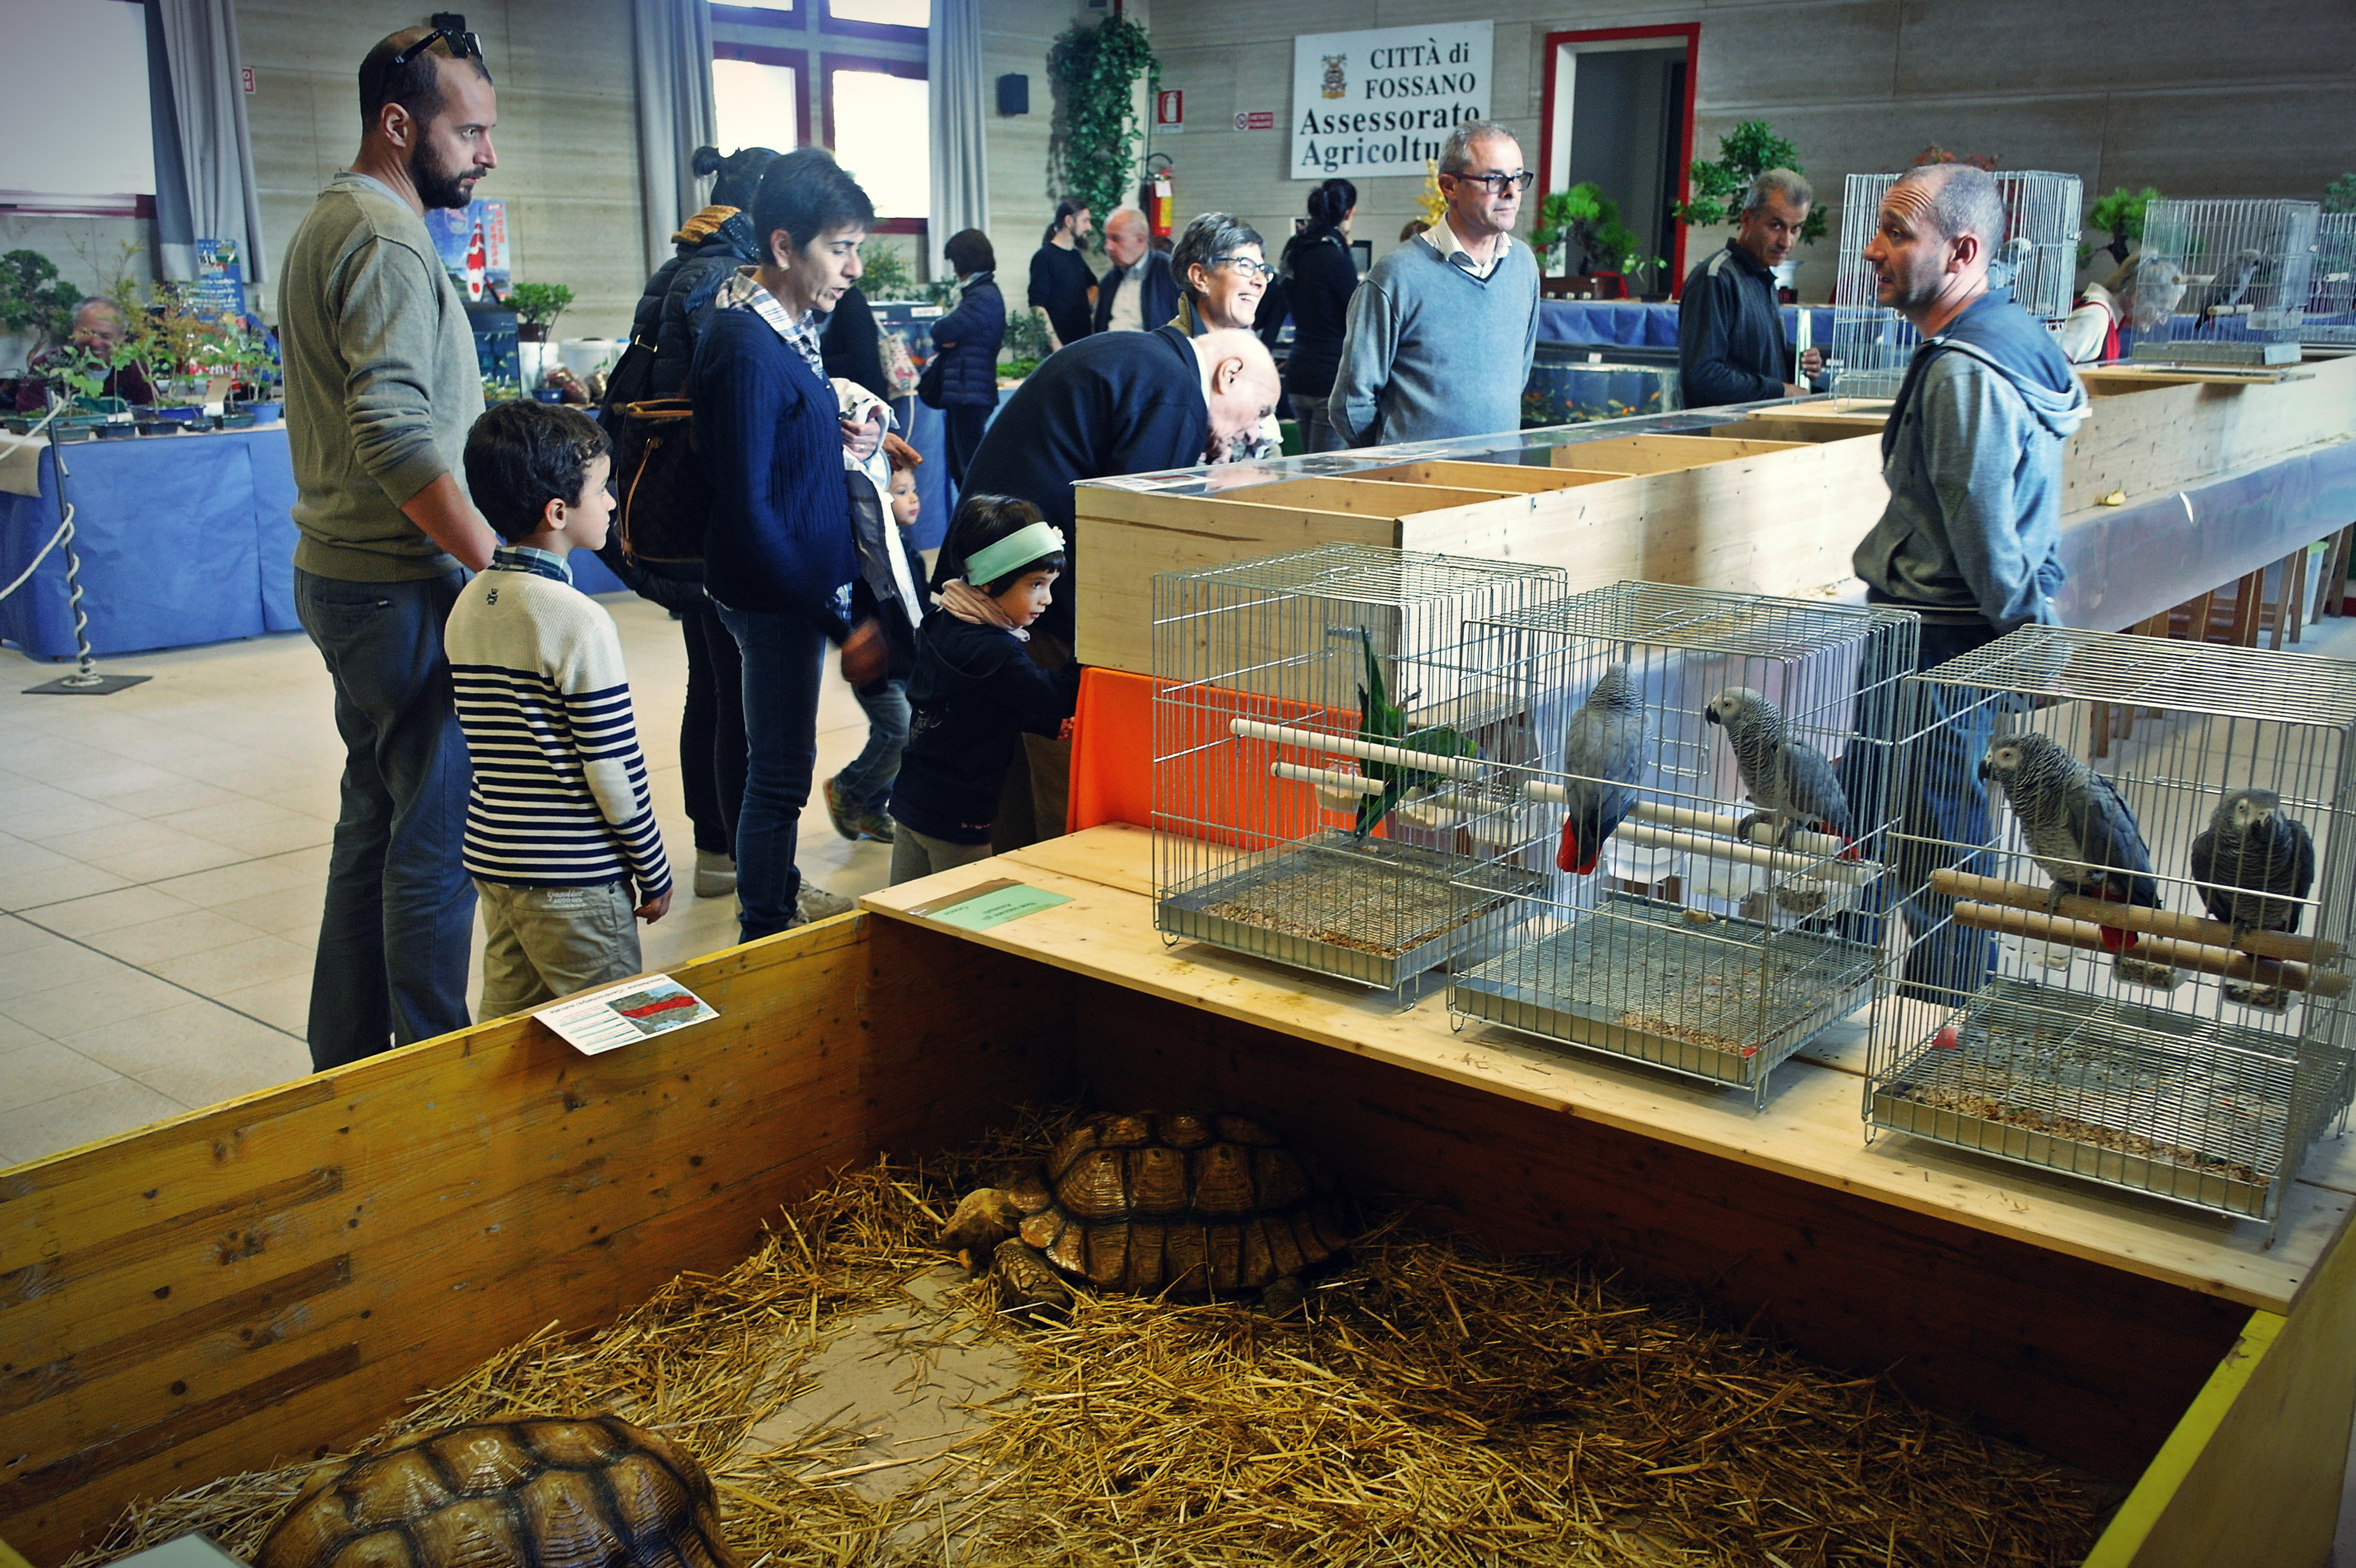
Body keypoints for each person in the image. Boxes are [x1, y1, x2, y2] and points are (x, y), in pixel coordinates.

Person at [280, 24, 501, 1067]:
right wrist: (498, 566)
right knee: (433, 839)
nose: (485, 155)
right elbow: (394, 429)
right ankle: (427, 1063)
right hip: (399, 585)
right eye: (470, 131)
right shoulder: (384, 238)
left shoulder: (337, 216)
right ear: (399, 123)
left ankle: (348, 1060)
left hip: (350, 578)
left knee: (374, 819)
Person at [1845, 163, 2090, 1001]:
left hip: (1940, 635)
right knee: (1882, 806)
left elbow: (1984, 527)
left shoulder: (1963, 373)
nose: (1873, 250)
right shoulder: (2012, 334)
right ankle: (1844, 973)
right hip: (1934, 626)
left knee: (1931, 834)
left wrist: (2032, 635)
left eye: (1898, 233)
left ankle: (1952, 1016)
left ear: (1965, 250)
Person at [954, 324, 1279, 844]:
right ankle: (1056, 902)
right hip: (1046, 609)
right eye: (1259, 412)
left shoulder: (1139, 356)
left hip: (998, 586)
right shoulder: (1175, 397)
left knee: (1010, 775)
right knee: (1062, 780)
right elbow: (1135, 535)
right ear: (1229, 374)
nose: (1252, 435)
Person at [690, 147, 892, 941]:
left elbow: (779, 443)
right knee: (778, 773)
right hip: (774, 599)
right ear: (783, 246)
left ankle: (768, 906)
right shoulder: (742, 342)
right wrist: (841, 623)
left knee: (777, 763)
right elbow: (748, 506)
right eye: (839, 248)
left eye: (857, 247)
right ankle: (764, 926)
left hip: (796, 592)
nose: (853, 267)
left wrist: (833, 425)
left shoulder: (786, 327)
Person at [445, 401, 671, 1017]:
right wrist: (652, 866)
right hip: (574, 875)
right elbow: (610, 768)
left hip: (498, 862)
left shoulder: (470, 601)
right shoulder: (576, 619)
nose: (611, 501)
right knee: (621, 1036)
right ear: (557, 512)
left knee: (511, 1035)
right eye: (602, 488)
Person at [604, 143, 775, 902]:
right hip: (706, 508)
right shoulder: (720, 278)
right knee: (733, 681)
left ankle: (714, 846)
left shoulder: (680, 265)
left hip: (670, 506)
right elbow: (730, 399)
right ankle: (729, 850)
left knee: (708, 676)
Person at [888, 494, 1081, 884]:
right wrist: (1092, 646)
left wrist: (1044, 723)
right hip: (961, 814)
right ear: (991, 581)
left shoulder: (943, 620)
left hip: (913, 798)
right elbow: (1057, 696)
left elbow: (980, 700)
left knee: (904, 915)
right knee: (964, 920)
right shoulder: (998, 652)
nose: (1047, 599)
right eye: (1036, 585)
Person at [1329, 121, 1540, 448]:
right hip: (1417, 487)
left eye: (1518, 177)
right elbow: (1350, 403)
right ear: (1449, 186)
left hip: (1501, 483)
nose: (1511, 192)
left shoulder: (1523, 265)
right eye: (1495, 179)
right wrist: (1394, 464)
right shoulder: (1397, 275)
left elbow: (1518, 376)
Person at [824, 435, 929, 844]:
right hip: (880, 671)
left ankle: (872, 807)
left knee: (901, 737)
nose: (912, 499)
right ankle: (849, 789)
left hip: (910, 664)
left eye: (913, 491)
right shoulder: (864, 558)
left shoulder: (909, 553)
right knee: (897, 733)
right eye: (900, 493)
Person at [1677, 168, 1825, 406]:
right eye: (1776, 226)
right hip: (1722, 436)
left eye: (1796, 229)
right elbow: (1702, 378)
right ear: (1747, 220)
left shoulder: (1762, 277)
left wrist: (1797, 362)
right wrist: (1781, 390)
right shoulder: (1715, 278)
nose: (1786, 242)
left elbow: (1753, 361)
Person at [1167, 213, 1280, 461]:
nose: (1260, 281)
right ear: (1200, 277)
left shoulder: (1248, 352)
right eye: (1245, 267)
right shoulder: (1173, 363)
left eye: (1263, 270)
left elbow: (1269, 448)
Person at [1268, 179, 1360, 453]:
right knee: (1325, 473)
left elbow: (1278, 300)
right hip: (1330, 375)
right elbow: (1356, 312)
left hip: (1299, 370)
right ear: (1349, 213)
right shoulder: (1334, 255)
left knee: (1308, 463)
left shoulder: (1296, 247)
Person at [929, 227, 1005, 487]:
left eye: (954, 262)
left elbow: (942, 330)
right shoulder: (978, 293)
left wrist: (947, 340)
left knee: (967, 469)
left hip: (969, 392)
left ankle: (976, 523)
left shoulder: (982, 296)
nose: (953, 269)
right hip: (966, 390)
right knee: (960, 466)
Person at [12, 297, 155, 413]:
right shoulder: (47, 365)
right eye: (87, 333)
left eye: (106, 336)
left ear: (122, 337)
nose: (95, 342)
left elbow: (153, 414)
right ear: (75, 331)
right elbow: (27, 414)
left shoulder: (137, 370)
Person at [2059, 252, 2186, 365]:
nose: (2163, 321)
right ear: (2137, 298)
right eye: (2162, 310)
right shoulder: (2096, 317)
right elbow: (2048, 366)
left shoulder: (2107, 318)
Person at [1092, 207, 1177, 335]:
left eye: (1116, 239)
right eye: (1107, 238)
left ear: (1140, 240)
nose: (1108, 247)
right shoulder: (1109, 281)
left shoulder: (1170, 273)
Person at [1027, 200, 1096, 352]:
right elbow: (1037, 307)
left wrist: (1086, 307)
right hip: (1059, 349)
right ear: (1069, 221)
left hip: (1082, 344)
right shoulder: (1044, 257)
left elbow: (1093, 284)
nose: (1089, 227)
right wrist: (1056, 346)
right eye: (1085, 221)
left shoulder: (1076, 256)